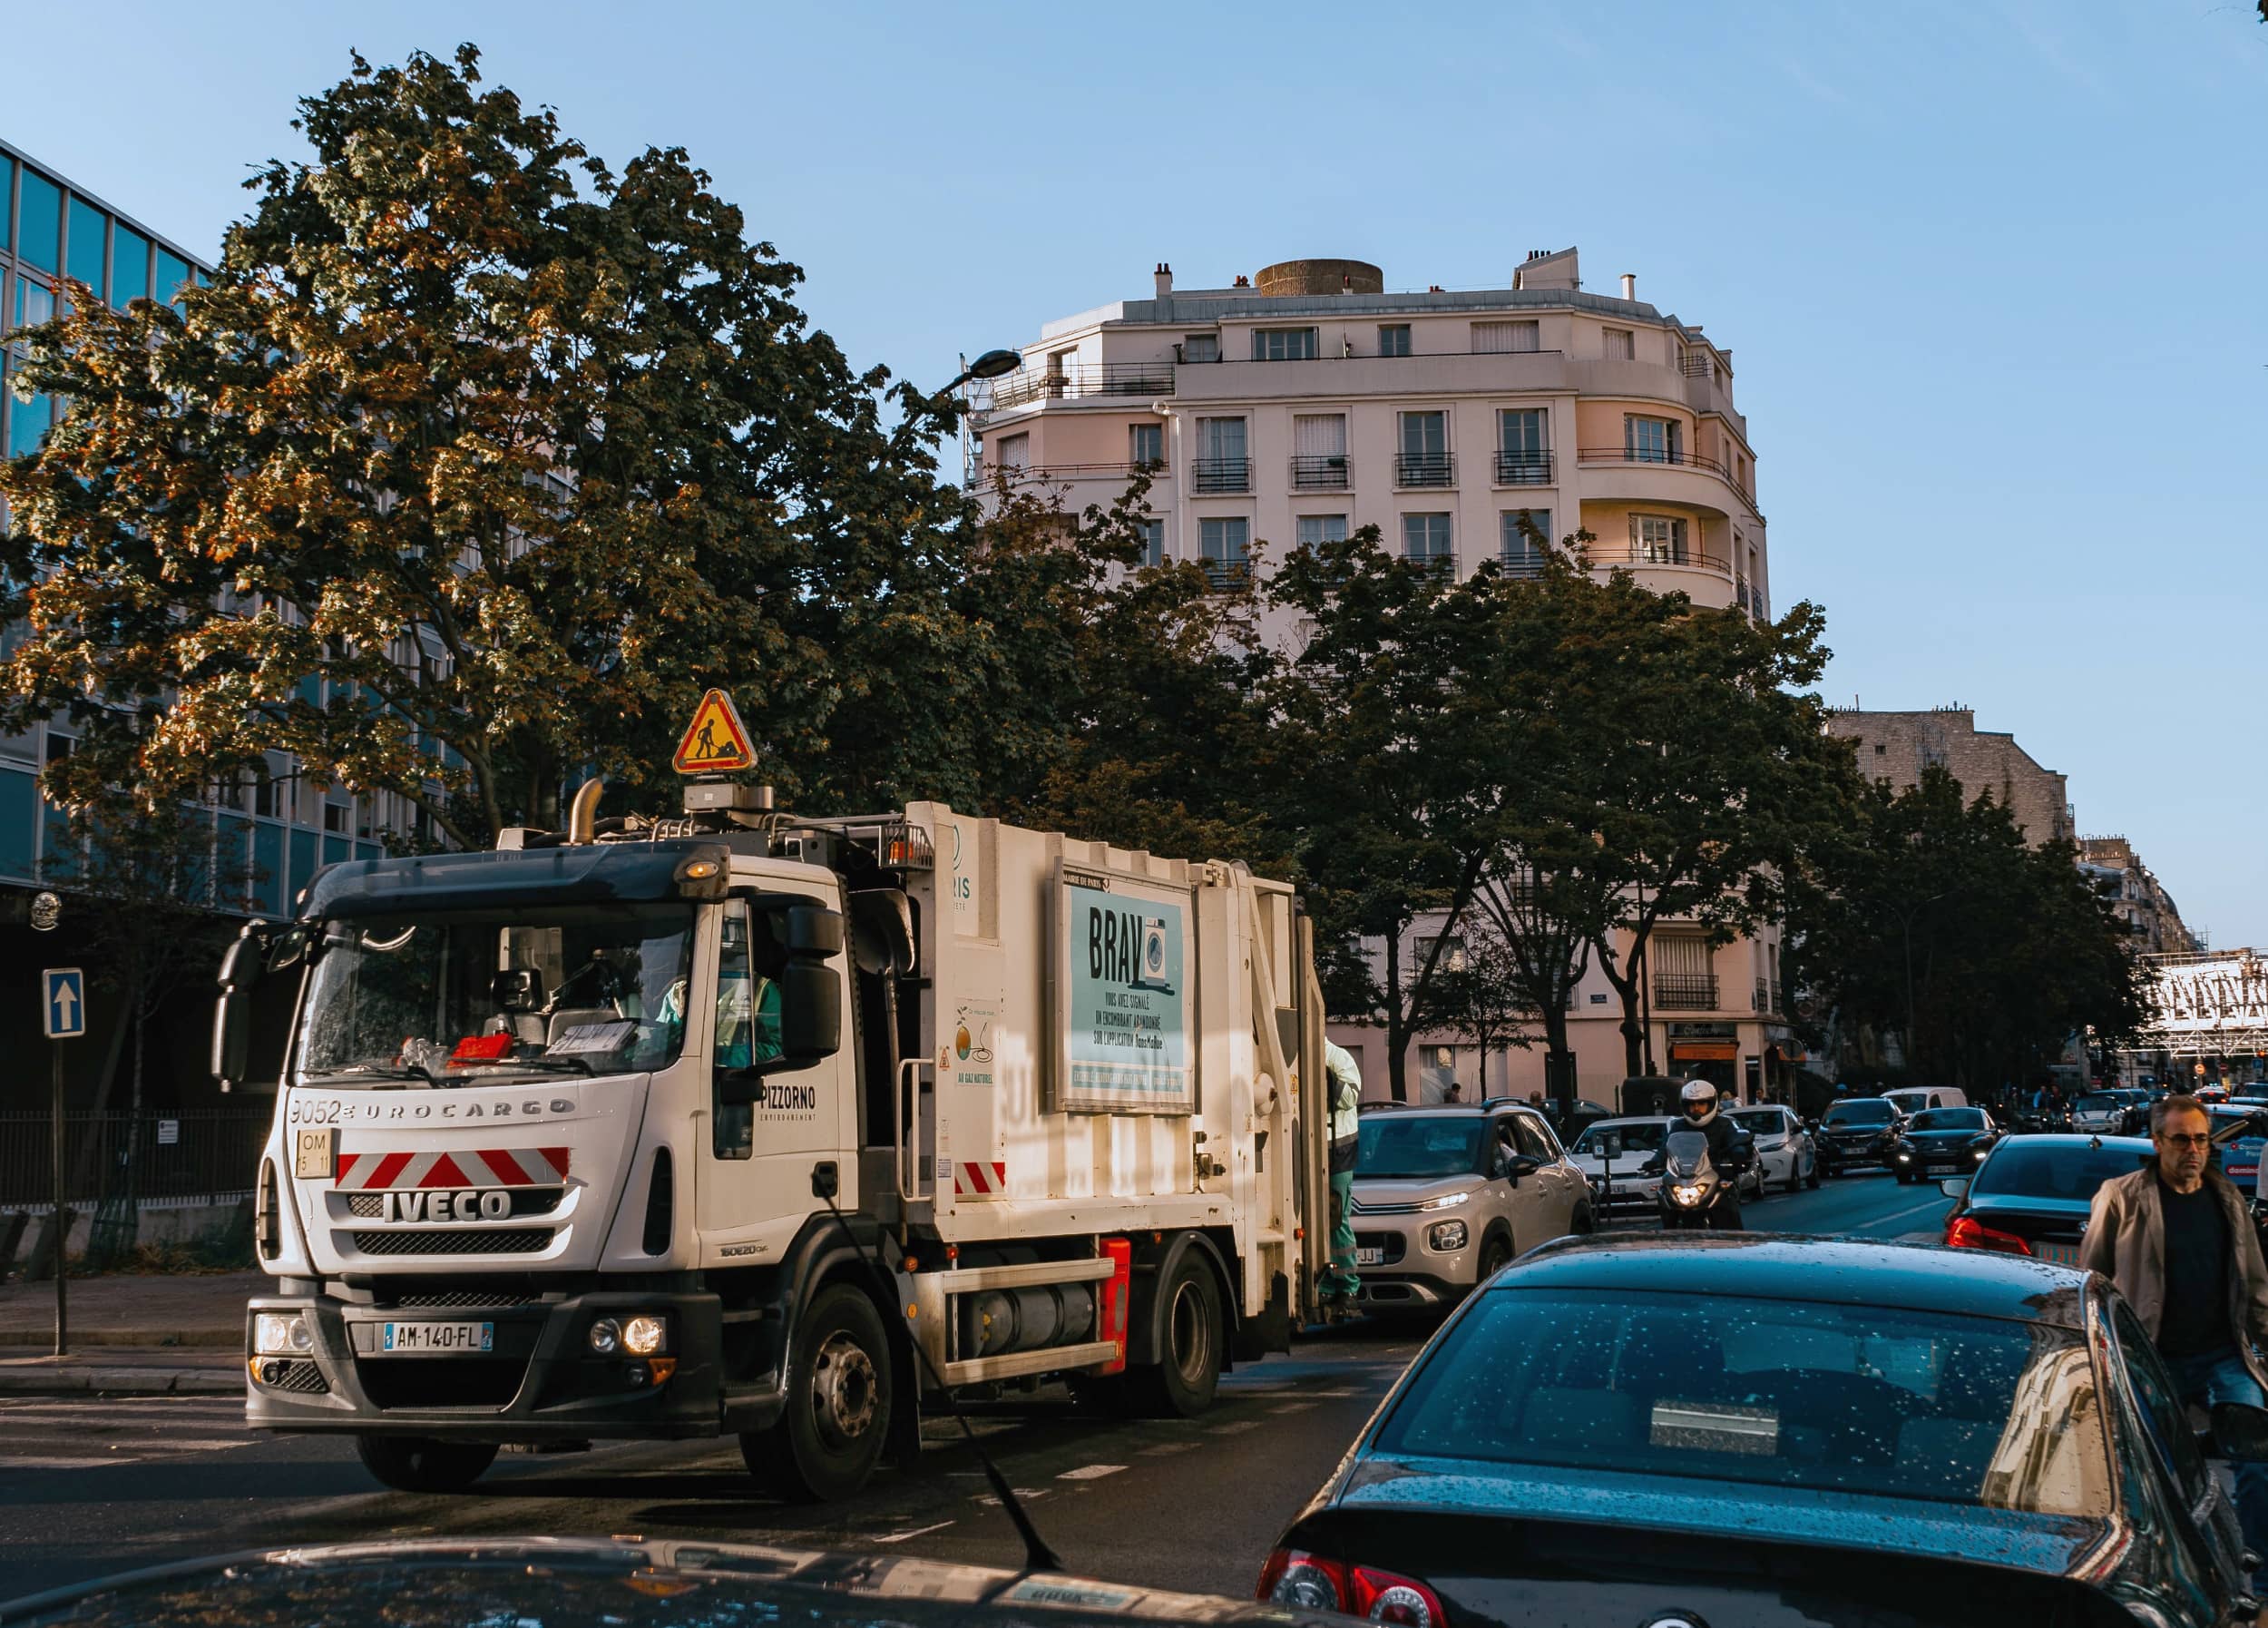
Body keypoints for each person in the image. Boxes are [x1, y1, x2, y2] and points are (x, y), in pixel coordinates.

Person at [2081, 1094, 2268, 1600]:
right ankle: (2175, 1580)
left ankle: (2261, 1582)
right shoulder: (2120, 1196)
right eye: (2181, 1139)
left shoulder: (2228, 1199)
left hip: (2223, 1357)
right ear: (2158, 1142)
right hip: (2152, 1360)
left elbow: (2254, 1287)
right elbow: (2091, 1281)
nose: (2193, 1149)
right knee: (2156, 1477)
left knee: (2257, 1459)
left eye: (2201, 1139)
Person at [1320, 1040, 1364, 1318]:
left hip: (1338, 1151)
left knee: (1336, 1219)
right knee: (1315, 1223)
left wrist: (1325, 1078)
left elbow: (1349, 1098)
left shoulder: (1337, 1056)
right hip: (1316, 1149)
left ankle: (1347, 1286)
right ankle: (1327, 1282)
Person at [1675, 1079, 1751, 1231]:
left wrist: (1738, 1155)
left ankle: (1735, 1242)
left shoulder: (1724, 1124)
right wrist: (1654, 1162)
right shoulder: (1678, 1126)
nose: (1696, 1108)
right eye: (1691, 1104)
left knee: (1728, 1205)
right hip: (1686, 1179)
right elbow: (1666, 1147)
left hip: (1718, 1176)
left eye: (1701, 1104)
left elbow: (1736, 1141)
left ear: (1711, 1104)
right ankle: (1669, 1237)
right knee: (1664, 1198)